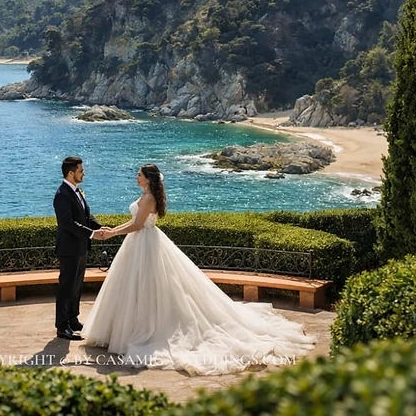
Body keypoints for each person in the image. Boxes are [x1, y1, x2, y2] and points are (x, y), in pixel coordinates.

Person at [82, 164, 315, 375]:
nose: (136, 177)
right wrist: (111, 229)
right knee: (141, 287)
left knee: (148, 287)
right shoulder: (147, 196)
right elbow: (135, 223)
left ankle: (142, 330)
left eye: (139, 175)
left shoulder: (148, 198)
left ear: (149, 179)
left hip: (144, 244)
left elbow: (137, 225)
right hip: (141, 243)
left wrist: (111, 233)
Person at [53, 156, 106, 341]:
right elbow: (67, 224)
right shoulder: (62, 195)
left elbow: (84, 218)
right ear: (71, 173)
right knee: (66, 287)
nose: (83, 173)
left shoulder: (76, 192)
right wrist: (91, 234)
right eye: (81, 171)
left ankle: (73, 319)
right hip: (69, 249)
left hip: (80, 247)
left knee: (76, 286)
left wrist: (101, 228)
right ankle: (62, 326)